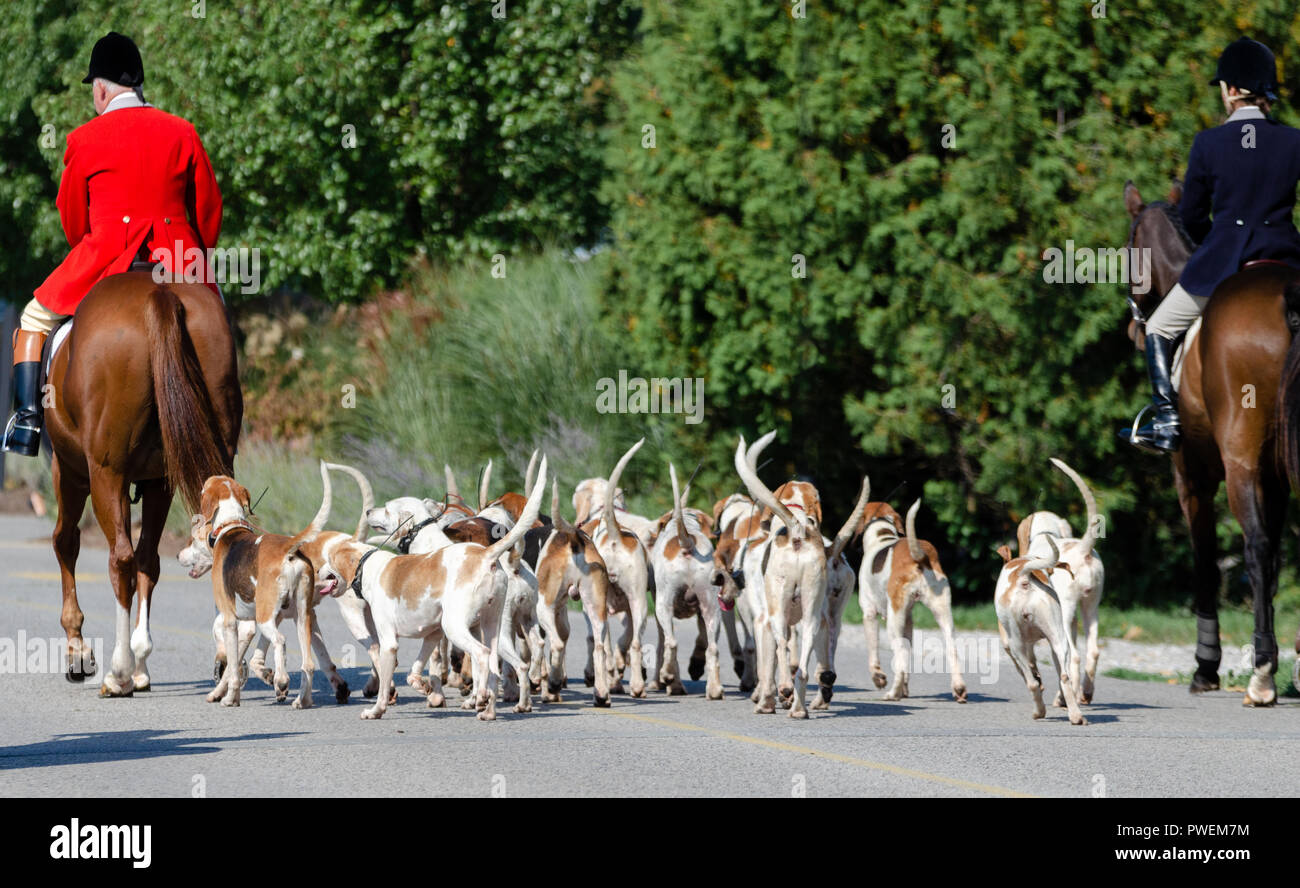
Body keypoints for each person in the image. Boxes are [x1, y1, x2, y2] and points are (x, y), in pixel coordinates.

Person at [2, 32, 222, 457]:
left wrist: (94, 245)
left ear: (101, 88)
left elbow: (71, 216)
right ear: (139, 87)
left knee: (33, 316)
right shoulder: (183, 131)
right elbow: (209, 208)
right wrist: (199, 255)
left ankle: (27, 422)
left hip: (105, 256)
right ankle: (222, 424)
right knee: (216, 319)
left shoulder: (84, 139)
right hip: (179, 258)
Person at [1123, 37, 1300, 453]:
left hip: (1224, 263)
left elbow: (1192, 217)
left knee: (1160, 328)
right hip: (1286, 257)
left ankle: (1165, 422)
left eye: (1222, 87)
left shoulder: (1208, 144)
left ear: (1233, 90)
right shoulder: (1294, 141)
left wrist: (1215, 243)